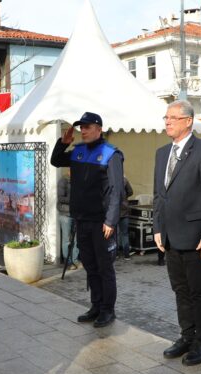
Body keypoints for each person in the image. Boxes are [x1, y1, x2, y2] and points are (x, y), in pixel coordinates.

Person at [153, 100, 201, 366]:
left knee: (198, 292)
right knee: (180, 290)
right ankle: (186, 336)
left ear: (188, 121)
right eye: (166, 117)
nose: (167, 122)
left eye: (173, 117)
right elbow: (161, 195)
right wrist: (157, 227)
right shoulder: (162, 153)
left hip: (196, 237)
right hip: (170, 236)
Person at [51, 112, 124, 327]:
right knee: (90, 266)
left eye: (87, 127)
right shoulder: (78, 152)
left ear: (99, 129)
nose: (82, 130)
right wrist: (62, 144)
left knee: (105, 268)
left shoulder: (111, 154)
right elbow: (56, 160)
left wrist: (110, 221)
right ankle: (96, 305)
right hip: (81, 220)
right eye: (81, 127)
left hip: (102, 223)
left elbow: (116, 190)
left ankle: (108, 310)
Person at [57, 169, 79, 269]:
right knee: (66, 239)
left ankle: (75, 260)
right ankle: (68, 261)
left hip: (76, 214)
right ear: (70, 170)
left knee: (75, 239)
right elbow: (61, 198)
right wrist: (74, 199)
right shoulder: (63, 181)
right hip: (65, 214)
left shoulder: (78, 180)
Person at [118, 176, 134, 260]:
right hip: (124, 210)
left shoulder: (110, 178)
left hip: (114, 211)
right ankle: (126, 254)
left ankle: (115, 254)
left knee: (114, 234)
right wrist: (124, 198)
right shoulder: (124, 180)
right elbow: (131, 192)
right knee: (124, 233)